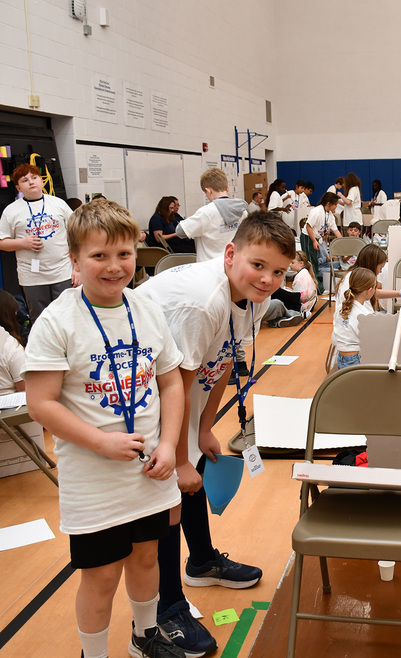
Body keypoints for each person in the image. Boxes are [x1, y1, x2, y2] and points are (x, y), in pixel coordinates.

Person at [24, 198, 186, 658]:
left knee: (147, 556)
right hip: (94, 478)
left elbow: (171, 382)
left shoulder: (147, 308)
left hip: (151, 468)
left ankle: (145, 637)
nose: (115, 267)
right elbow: (40, 404)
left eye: (124, 254)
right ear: (74, 260)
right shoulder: (57, 320)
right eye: (99, 256)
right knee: (101, 576)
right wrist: (100, 441)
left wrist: (171, 444)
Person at [137, 211, 296, 657]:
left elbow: (224, 357)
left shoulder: (253, 295)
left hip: (179, 392)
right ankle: (167, 608)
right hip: (145, 395)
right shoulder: (201, 301)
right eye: (258, 265)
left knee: (194, 470)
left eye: (279, 271)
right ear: (230, 254)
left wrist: (205, 428)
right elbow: (177, 385)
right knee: (168, 491)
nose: (268, 279)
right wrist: (180, 455)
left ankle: (202, 561)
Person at [0, 164, 77, 324]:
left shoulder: (59, 204)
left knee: (67, 317)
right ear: (18, 187)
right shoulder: (11, 210)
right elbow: (2, 242)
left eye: (34, 178)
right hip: (32, 276)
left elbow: (77, 235)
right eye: (25, 180)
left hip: (62, 272)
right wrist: (22, 242)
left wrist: (78, 269)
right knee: (40, 320)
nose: (31, 182)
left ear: (41, 181)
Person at [174, 168, 249, 262]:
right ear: (227, 188)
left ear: (208, 190)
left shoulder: (205, 213)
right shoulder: (242, 211)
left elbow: (180, 231)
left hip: (210, 268)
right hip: (233, 265)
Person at [335, 243, 401, 310]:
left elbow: (375, 293)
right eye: (380, 268)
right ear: (372, 265)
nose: (380, 271)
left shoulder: (355, 276)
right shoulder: (358, 280)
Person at [332, 267, 377, 369]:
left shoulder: (341, 307)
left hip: (341, 357)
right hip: (356, 359)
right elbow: (370, 342)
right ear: (369, 291)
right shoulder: (364, 315)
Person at [302, 191, 341, 294]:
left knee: (314, 262)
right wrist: (314, 241)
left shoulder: (330, 215)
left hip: (316, 238)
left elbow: (336, 231)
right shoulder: (317, 211)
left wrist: (344, 242)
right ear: (328, 203)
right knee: (311, 263)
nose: (336, 207)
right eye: (335, 204)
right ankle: (319, 289)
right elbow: (308, 226)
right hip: (308, 238)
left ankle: (317, 288)